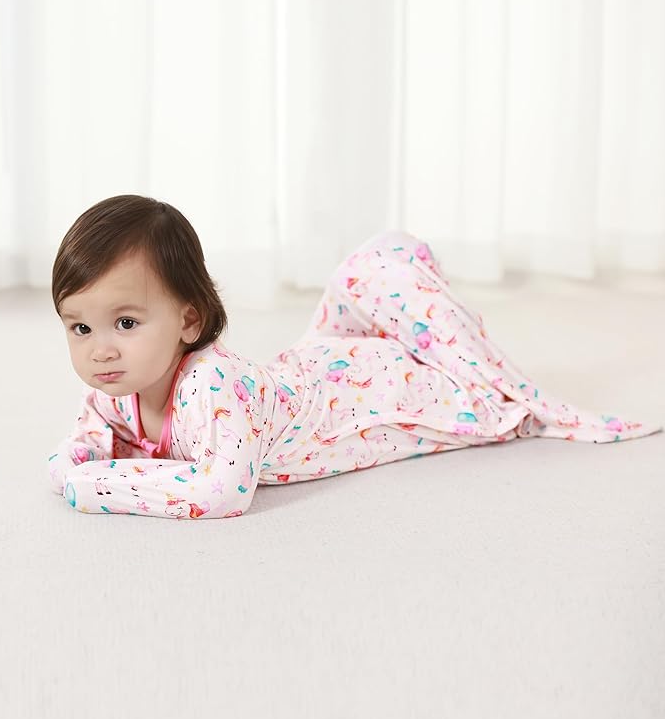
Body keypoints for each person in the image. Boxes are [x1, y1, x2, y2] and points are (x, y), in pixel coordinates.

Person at [48, 195, 663, 519]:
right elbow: (77, 451)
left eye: (126, 323)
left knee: (478, 402)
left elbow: (222, 493)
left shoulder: (209, 385)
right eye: (79, 327)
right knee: (338, 344)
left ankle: (435, 333)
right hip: (313, 370)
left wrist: (92, 485)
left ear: (190, 320)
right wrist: (76, 466)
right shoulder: (110, 389)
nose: (100, 348)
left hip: (372, 395)